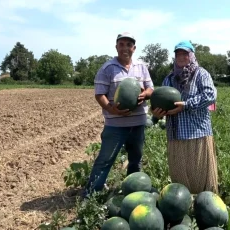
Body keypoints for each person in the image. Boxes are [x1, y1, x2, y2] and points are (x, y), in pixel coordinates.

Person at [81, 32, 154, 199]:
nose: (125, 48)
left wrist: (146, 94)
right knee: (105, 159)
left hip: (138, 123)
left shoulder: (141, 67)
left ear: (134, 48)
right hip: (115, 125)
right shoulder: (107, 68)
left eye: (129, 45)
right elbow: (99, 94)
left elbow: (151, 88)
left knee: (136, 159)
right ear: (116, 47)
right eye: (121, 44)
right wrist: (111, 108)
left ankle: (132, 192)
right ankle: (92, 193)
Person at [151, 40, 219, 194]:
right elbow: (160, 99)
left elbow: (210, 95)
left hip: (198, 132)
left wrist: (186, 105)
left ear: (191, 55)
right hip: (175, 133)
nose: (181, 57)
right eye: (178, 54)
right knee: (180, 173)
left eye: (185, 54)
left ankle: (205, 202)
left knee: (201, 172)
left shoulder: (201, 73)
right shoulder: (169, 79)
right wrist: (156, 113)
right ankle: (184, 203)